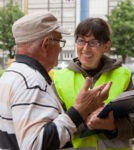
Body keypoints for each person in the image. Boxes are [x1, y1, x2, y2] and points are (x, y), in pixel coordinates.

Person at [0, 12, 112, 150]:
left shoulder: (11, 74)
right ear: (46, 45)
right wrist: (79, 110)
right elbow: (35, 145)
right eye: (59, 41)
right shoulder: (31, 83)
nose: (60, 48)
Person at [51, 17, 134, 150]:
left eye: (93, 42)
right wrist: (86, 123)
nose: (85, 48)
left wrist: (112, 126)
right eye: (81, 41)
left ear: (106, 46)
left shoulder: (123, 75)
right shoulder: (60, 78)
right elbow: (51, 128)